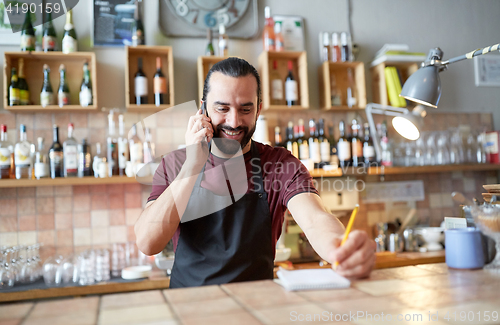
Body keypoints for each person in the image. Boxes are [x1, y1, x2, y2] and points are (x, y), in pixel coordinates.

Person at [135, 57, 375, 288]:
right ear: (203, 109)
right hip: (190, 309)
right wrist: (191, 167)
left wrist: (341, 251)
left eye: (245, 109)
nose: (234, 121)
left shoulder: (280, 163)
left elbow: (315, 219)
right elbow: (148, 242)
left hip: (257, 309)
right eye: (222, 108)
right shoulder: (175, 164)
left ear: (259, 109)